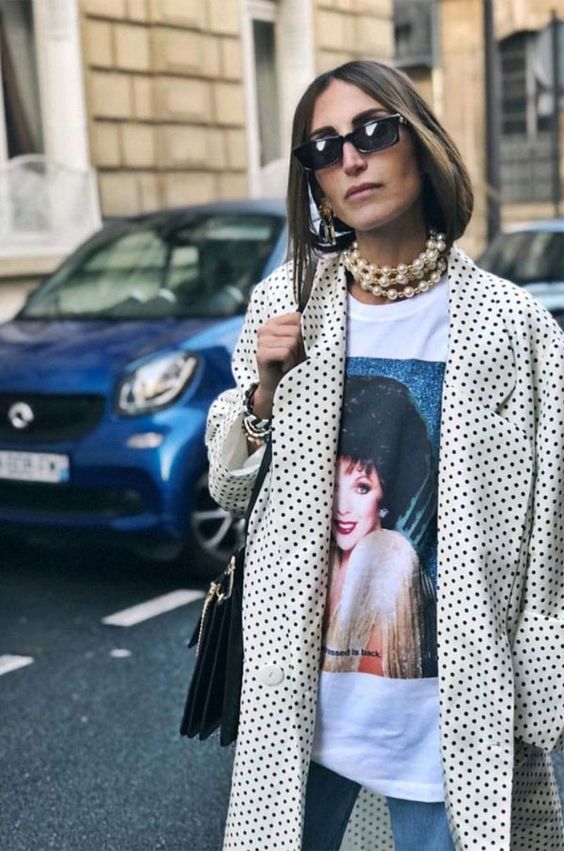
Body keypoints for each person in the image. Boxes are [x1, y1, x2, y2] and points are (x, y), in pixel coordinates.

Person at [204, 60, 564, 851]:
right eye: (323, 148)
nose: (351, 160)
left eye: (372, 131)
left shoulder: (513, 326)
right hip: (300, 702)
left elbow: (549, 529)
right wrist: (261, 395)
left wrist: (541, 675)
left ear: (421, 142)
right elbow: (228, 488)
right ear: (315, 183)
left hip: (451, 706)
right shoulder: (286, 305)